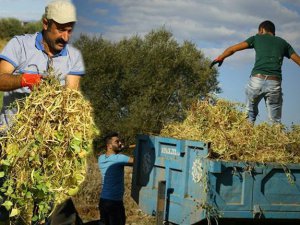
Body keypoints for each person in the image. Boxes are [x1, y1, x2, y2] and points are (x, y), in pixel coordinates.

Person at [0, 0, 84, 224]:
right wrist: (25, 79)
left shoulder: (73, 57)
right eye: (60, 30)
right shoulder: (19, 45)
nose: (65, 37)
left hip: (48, 149)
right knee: (11, 209)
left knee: (48, 211)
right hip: (13, 145)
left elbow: (71, 97)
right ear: (46, 24)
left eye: (69, 30)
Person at [210, 20, 300, 124]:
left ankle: (246, 137)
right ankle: (276, 136)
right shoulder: (283, 43)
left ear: (262, 30)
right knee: (275, 121)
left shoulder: (256, 38)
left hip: (256, 80)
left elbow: (233, 49)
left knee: (250, 115)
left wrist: (221, 57)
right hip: (274, 83)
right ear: (273, 32)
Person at [98, 132, 134, 225]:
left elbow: (113, 156)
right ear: (109, 145)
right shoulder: (119, 158)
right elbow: (136, 161)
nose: (120, 143)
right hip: (114, 202)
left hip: (103, 201)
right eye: (117, 142)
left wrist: (119, 149)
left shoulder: (101, 158)